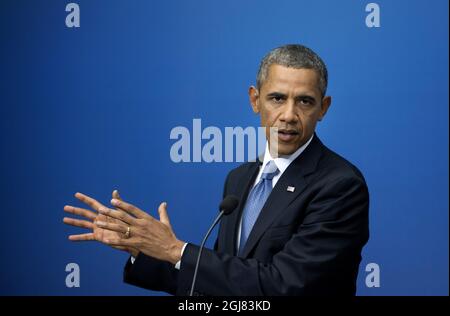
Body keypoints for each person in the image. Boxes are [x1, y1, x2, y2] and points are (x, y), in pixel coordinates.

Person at [63, 44, 369, 296]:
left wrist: (176, 249)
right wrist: (145, 249)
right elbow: (223, 285)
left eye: (304, 101)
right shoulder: (239, 179)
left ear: (323, 108)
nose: (289, 115)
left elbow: (284, 287)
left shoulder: (340, 185)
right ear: (255, 100)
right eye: (277, 98)